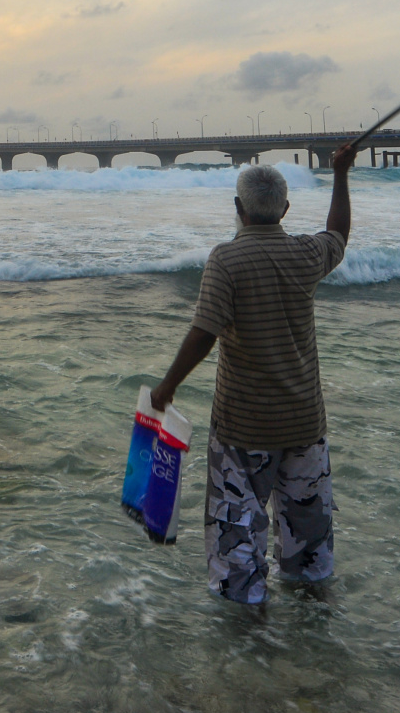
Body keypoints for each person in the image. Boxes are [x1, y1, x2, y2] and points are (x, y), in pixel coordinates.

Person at [148, 143, 355, 603]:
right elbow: (338, 232)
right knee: (310, 554)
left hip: (243, 430)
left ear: (238, 208)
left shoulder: (227, 260)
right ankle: (311, 647)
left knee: (236, 553)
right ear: (284, 209)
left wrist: (169, 385)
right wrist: (340, 174)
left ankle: (248, 653)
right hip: (304, 424)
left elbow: (205, 332)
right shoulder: (306, 255)